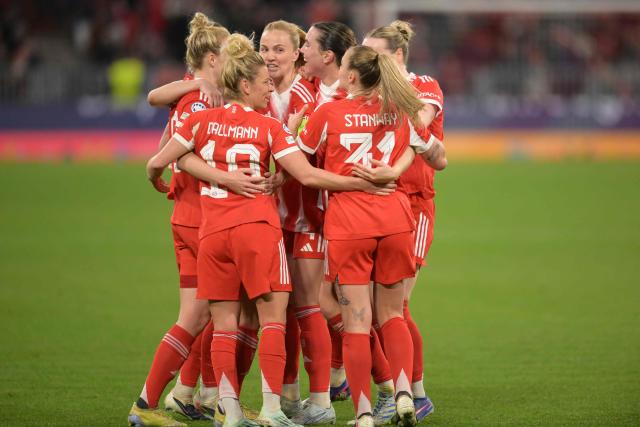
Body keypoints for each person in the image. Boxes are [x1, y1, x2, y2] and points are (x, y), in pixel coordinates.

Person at [145, 33, 394, 427]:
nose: (268, 88)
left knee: (223, 323)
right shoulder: (268, 127)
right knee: (275, 319)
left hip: (211, 233)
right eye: (262, 81)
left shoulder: (200, 119)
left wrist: (198, 178)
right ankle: (275, 408)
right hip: (260, 230)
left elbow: (158, 162)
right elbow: (309, 176)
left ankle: (220, 408)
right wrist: (363, 183)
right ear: (245, 84)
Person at [293, 45, 446, 427]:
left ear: (350, 76)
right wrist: (391, 172)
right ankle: (405, 393)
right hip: (395, 220)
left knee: (357, 321)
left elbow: (298, 162)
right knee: (393, 314)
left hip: (350, 225)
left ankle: (363, 413)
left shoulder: (327, 112)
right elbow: (420, 149)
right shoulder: (399, 111)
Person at [127, 13, 237, 427]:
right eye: (228, 55)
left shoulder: (189, 97)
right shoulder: (202, 100)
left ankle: (188, 395)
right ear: (212, 58)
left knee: (205, 313)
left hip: (187, 215)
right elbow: (179, 149)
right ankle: (148, 402)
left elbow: (163, 128)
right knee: (202, 315)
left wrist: (156, 167)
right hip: (204, 218)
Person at [359, 20, 446, 422]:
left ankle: (416, 392)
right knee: (377, 308)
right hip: (377, 206)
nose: (365, 61)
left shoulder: (422, 83)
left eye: (373, 54)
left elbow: (424, 118)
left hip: (413, 206)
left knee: (397, 305)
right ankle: (396, 389)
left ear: (395, 56)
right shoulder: (367, 93)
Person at [259, 20, 336, 424]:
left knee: (308, 307)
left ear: (296, 54)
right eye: (264, 49)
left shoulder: (309, 97)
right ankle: (288, 396)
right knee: (280, 311)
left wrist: (284, 169)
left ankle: (321, 400)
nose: (270, 57)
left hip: (307, 217)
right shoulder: (257, 94)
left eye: (278, 49)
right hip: (268, 219)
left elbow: (308, 158)